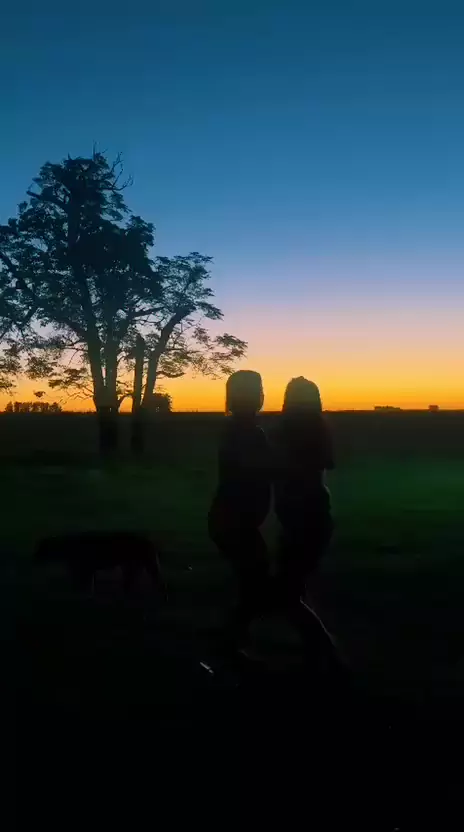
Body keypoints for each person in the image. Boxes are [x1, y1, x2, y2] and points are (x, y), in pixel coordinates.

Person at [272, 377, 341, 674]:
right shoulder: (318, 428)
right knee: (294, 587)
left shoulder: (288, 430)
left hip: (302, 519)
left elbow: (280, 469)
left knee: (287, 593)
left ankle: (327, 654)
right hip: (314, 517)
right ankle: (317, 653)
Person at [208, 370, 271, 653]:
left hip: (230, 518)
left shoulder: (234, 430)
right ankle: (230, 644)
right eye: (258, 390)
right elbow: (252, 471)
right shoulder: (249, 433)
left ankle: (233, 642)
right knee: (255, 584)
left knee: (252, 583)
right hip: (236, 520)